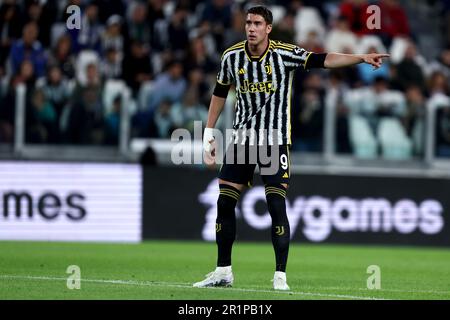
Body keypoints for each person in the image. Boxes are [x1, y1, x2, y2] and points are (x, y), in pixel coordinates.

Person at [194, 5, 389, 291]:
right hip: (242, 140)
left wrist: (359, 57)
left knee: (275, 203)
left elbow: (324, 59)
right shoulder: (231, 56)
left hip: (274, 139)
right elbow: (220, 93)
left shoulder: (284, 54)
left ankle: (280, 276)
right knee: (225, 202)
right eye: (248, 22)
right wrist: (209, 132)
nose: (251, 28)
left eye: (257, 23)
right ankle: (223, 271)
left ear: (268, 28)